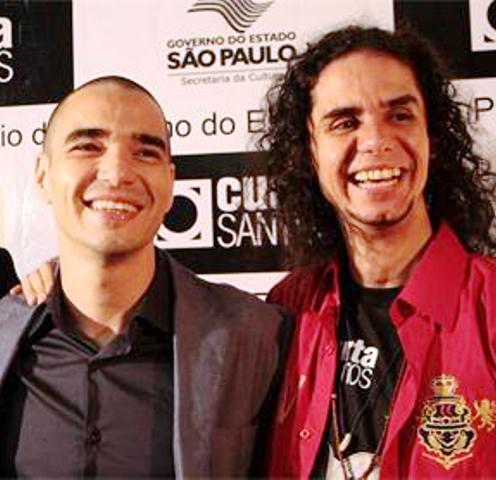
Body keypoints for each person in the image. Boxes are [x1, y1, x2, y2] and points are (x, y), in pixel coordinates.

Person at [0, 76, 292, 478]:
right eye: (88, 146)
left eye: (145, 152)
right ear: (42, 175)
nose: (118, 172)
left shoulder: (258, 336)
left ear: (170, 184)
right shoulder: (6, 332)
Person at [261, 26, 496, 478]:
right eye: (345, 122)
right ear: (309, 152)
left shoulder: (491, 307)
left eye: (400, 115)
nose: (375, 141)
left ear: (431, 136)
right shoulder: (286, 309)